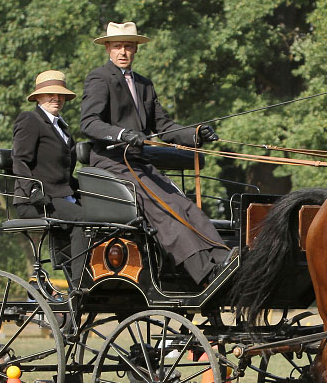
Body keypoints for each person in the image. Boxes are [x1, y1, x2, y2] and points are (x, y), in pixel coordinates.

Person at [80, 21, 233, 287]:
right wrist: (121, 134)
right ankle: (204, 273)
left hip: (138, 162)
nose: (123, 52)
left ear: (136, 49)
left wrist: (195, 134)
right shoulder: (99, 78)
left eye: (128, 46)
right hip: (111, 163)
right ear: (107, 48)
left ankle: (224, 260)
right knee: (163, 207)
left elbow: (165, 127)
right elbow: (89, 123)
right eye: (117, 46)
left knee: (183, 203)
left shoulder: (144, 85)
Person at [12, 70, 86, 286]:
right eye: (50, 94)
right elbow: (20, 160)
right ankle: (80, 282)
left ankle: (89, 277)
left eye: (60, 94)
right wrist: (33, 189)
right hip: (34, 201)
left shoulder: (61, 127)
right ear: (37, 97)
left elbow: (64, 174)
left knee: (101, 215)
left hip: (60, 197)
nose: (56, 98)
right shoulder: (30, 119)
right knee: (82, 219)